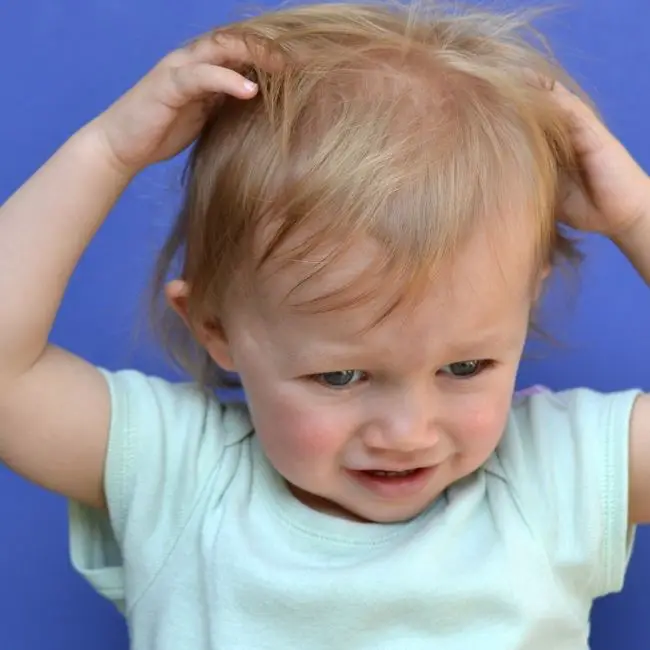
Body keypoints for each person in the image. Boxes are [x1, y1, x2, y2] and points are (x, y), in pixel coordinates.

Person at [1, 2, 649, 648]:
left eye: (463, 368)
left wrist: (635, 214)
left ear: (523, 310)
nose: (407, 432)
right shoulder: (180, 476)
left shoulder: (556, 478)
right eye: (339, 376)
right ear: (214, 327)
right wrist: (105, 153)